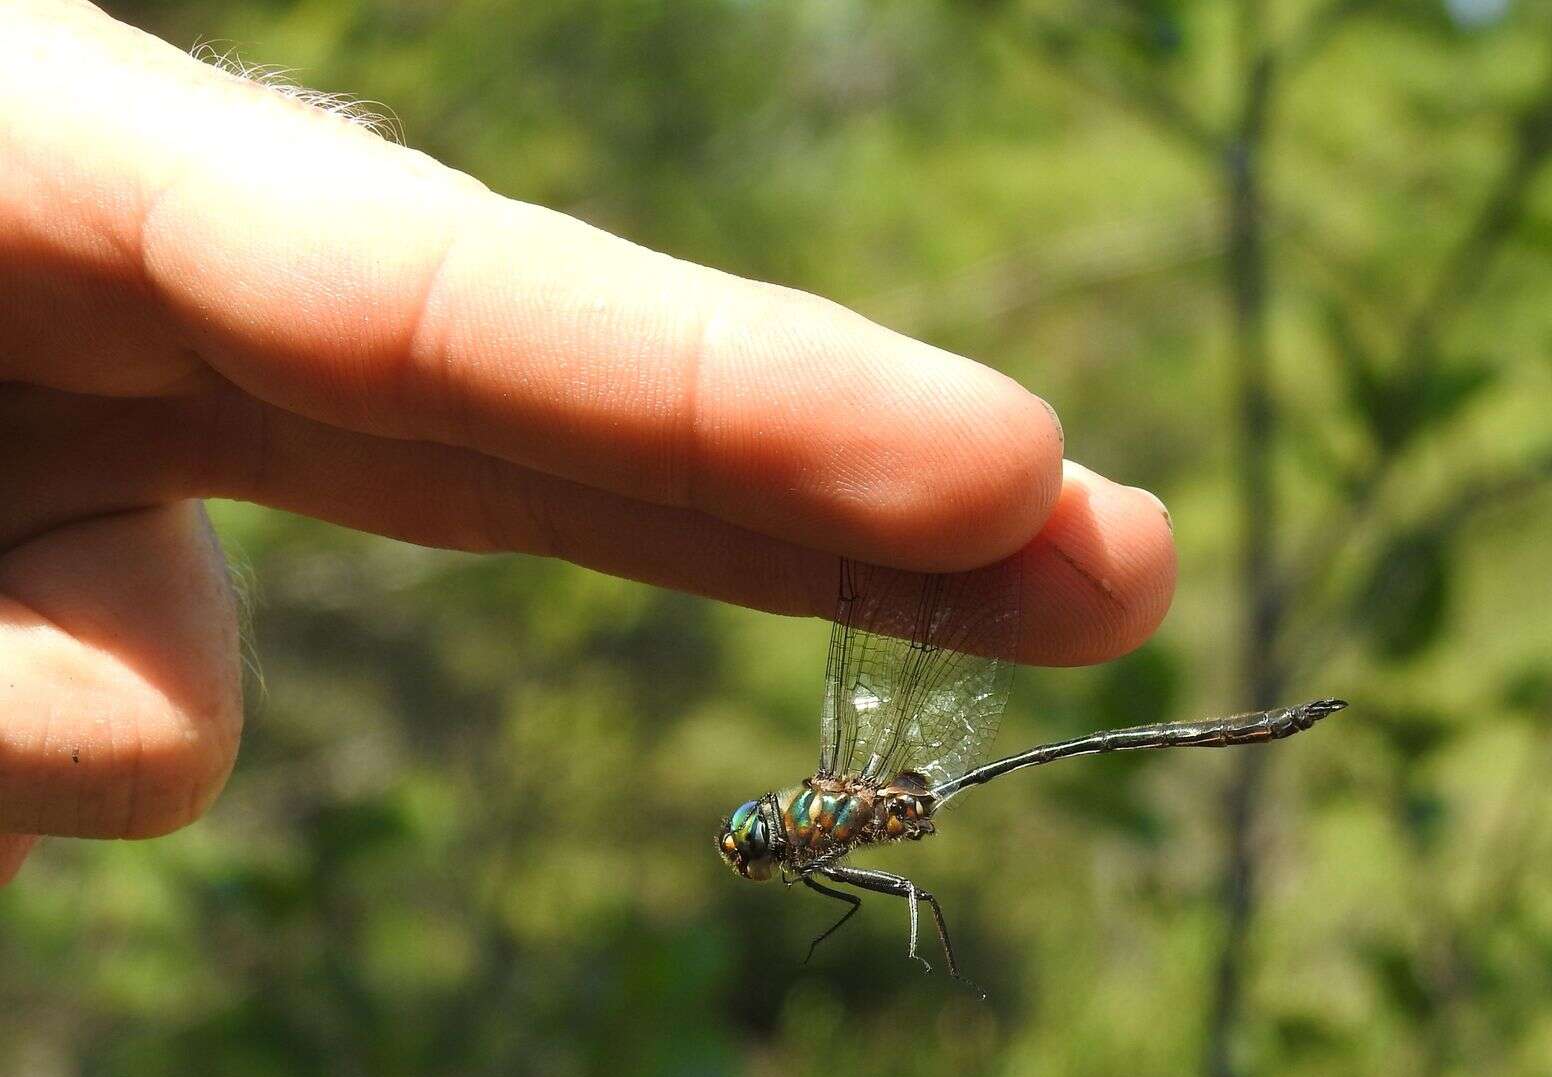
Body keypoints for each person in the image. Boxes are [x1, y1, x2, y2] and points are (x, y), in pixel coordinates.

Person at [0, 0, 1178, 888]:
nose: (764, 840)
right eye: (765, 841)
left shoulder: (841, 800)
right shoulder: (835, 829)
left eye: (764, 839)